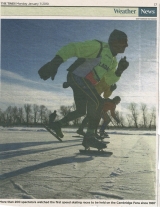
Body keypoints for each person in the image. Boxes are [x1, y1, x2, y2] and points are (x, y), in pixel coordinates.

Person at [38, 29, 129, 150]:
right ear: (114, 41)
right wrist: (55, 63)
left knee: (81, 111)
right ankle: (89, 137)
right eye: (123, 41)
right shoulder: (99, 47)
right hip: (77, 76)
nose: (126, 45)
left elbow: (107, 80)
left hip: (86, 81)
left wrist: (119, 71)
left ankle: (57, 124)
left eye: (126, 42)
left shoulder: (113, 61)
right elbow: (73, 47)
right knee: (98, 102)